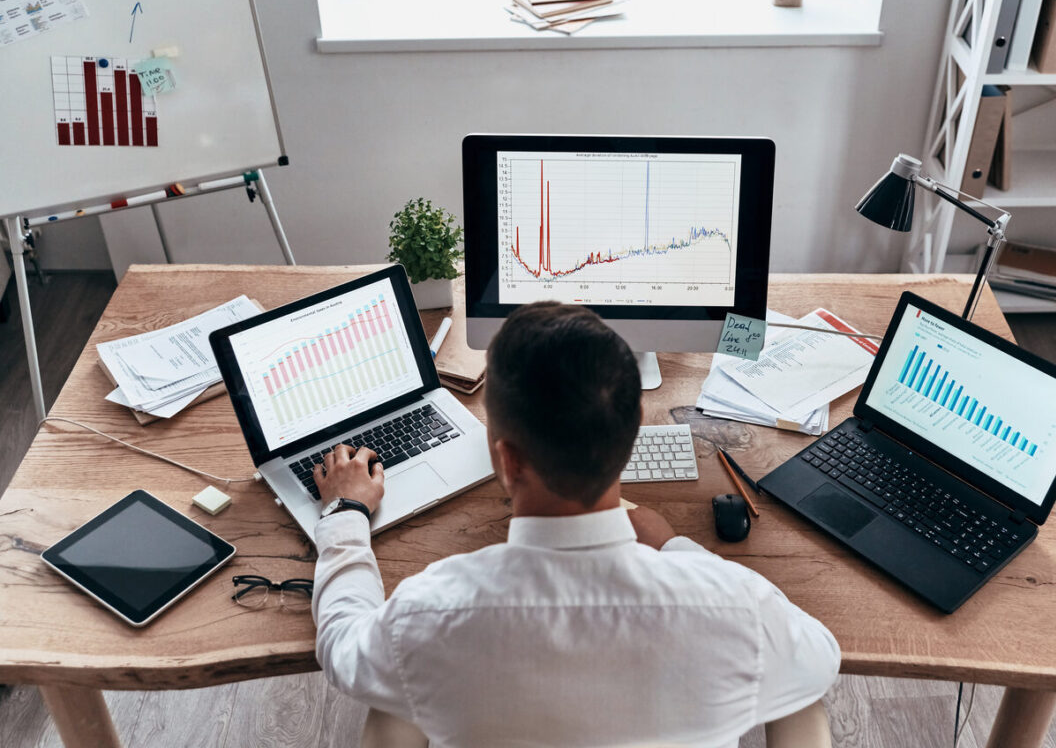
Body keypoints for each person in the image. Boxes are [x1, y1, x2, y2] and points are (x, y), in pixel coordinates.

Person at [311, 302, 840, 748]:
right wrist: (679, 548)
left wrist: (347, 513)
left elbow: (342, 646)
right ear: (632, 432)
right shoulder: (738, 607)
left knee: (390, 705)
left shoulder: (428, 613)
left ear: (507, 459)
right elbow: (819, 660)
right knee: (799, 698)